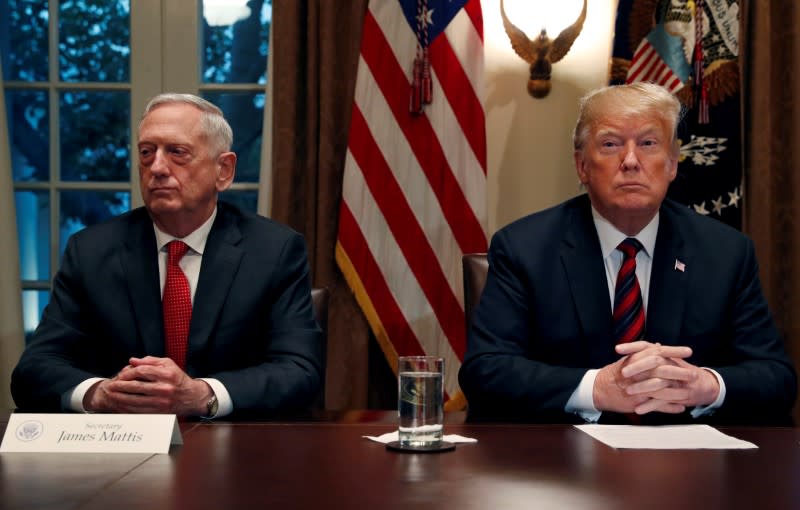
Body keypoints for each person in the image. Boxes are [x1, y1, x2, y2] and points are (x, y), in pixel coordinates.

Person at [458, 82, 797, 425]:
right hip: (561, 465)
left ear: (672, 163)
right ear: (582, 166)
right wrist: (597, 388)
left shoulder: (726, 252)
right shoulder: (524, 248)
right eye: (610, 144)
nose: (631, 161)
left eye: (648, 143)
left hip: (689, 465)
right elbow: (485, 371)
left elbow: (776, 377)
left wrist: (705, 386)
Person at [11, 93, 322, 419]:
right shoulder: (91, 251)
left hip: (235, 450)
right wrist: (100, 393)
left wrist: (203, 394)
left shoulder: (274, 250)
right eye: (147, 153)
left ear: (224, 170)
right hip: (121, 450)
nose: (157, 167)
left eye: (177, 152)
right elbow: (34, 369)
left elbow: (300, 371)